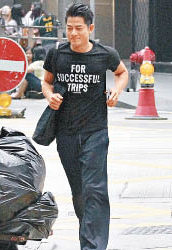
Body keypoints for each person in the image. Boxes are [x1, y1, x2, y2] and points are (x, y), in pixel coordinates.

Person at [41, 3, 128, 250]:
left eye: (78, 28)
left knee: (95, 190)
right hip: (65, 134)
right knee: (79, 192)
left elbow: (122, 73)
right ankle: (87, 236)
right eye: (69, 28)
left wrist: (117, 91)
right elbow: (46, 81)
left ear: (89, 28)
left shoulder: (104, 54)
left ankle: (93, 246)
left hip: (95, 132)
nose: (73, 34)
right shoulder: (56, 54)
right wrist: (49, 96)